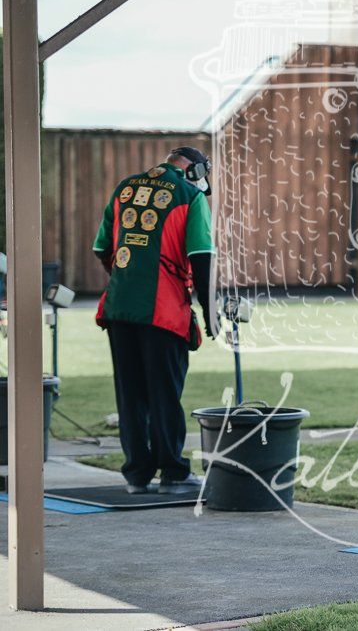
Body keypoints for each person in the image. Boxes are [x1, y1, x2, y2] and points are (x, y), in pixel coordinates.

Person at [92, 146, 219, 494]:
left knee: (130, 392)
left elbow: (102, 248)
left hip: (119, 306)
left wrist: (127, 276)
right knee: (165, 391)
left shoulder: (125, 188)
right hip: (163, 309)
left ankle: (137, 474)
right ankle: (173, 473)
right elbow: (201, 256)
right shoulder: (191, 196)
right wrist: (210, 312)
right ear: (194, 170)